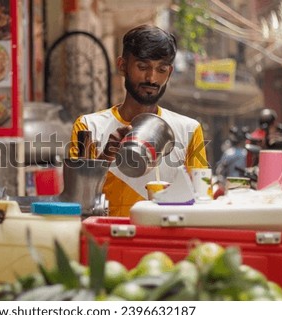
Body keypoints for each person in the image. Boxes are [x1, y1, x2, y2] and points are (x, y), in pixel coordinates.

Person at [69, 24, 208, 217]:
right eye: (142, 67)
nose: (151, 78)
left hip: (164, 241)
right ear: (122, 66)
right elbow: (76, 203)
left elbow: (202, 200)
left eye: (161, 69)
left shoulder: (189, 130)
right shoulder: (89, 127)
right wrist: (106, 157)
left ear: (170, 72)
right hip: (108, 240)